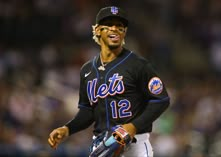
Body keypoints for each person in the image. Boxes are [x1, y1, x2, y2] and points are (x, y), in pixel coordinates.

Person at [48, 6, 170, 157]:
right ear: (98, 30)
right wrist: (67, 129)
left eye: (120, 26)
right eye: (109, 25)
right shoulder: (87, 70)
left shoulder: (138, 65)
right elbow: (87, 111)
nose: (115, 29)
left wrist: (134, 126)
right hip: (102, 144)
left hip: (135, 143)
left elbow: (161, 99)